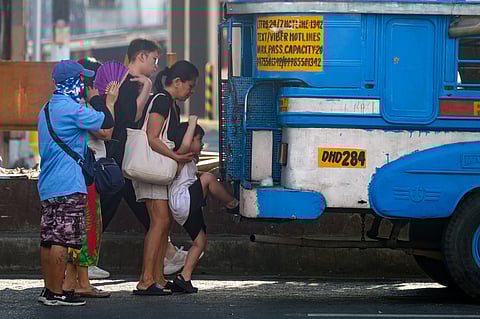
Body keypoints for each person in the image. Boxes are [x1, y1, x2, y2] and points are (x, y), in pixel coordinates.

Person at [37, 60, 109, 306]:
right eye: (81, 80)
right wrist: (100, 99)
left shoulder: (46, 108)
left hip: (48, 184)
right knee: (62, 240)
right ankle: (57, 293)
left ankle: (50, 290)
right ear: (72, 81)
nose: (83, 85)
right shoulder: (72, 109)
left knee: (48, 239)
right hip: (69, 183)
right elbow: (105, 124)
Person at [132, 60, 198, 295]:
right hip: (153, 168)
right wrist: (176, 157)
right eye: (190, 86)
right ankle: (146, 279)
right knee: (159, 223)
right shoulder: (161, 100)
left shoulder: (168, 102)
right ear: (177, 82)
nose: (191, 91)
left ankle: (157, 277)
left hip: (158, 169)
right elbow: (152, 136)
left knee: (163, 223)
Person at [60, 57, 120, 297]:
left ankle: (74, 280)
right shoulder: (82, 106)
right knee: (87, 227)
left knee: (84, 228)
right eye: (93, 81)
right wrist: (108, 103)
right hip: (84, 175)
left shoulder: (65, 104)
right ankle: (79, 280)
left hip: (78, 174)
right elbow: (106, 131)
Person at [168, 120, 239, 293]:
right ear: (190, 140)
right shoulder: (180, 155)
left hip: (185, 207)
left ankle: (184, 277)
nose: (202, 144)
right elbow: (185, 145)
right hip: (183, 200)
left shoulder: (190, 160)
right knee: (207, 178)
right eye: (199, 140)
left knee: (200, 242)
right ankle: (232, 203)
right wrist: (192, 122)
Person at [100, 38, 160, 233]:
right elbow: (132, 117)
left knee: (127, 199)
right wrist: (148, 88)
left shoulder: (126, 81)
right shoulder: (125, 83)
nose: (155, 65)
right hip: (117, 152)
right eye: (154, 59)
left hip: (120, 152)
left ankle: (166, 249)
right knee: (109, 204)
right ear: (141, 56)